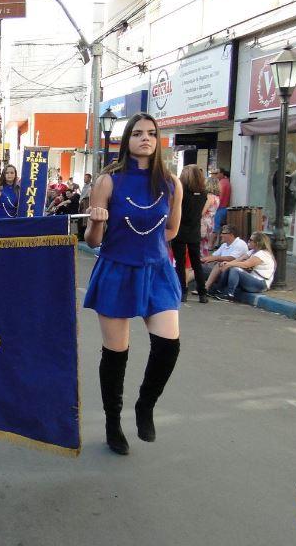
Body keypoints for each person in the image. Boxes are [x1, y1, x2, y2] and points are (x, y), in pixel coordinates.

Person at [83, 112, 183, 455]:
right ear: (126, 140)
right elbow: (93, 240)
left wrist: (150, 246)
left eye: (151, 133)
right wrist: (98, 222)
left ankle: (145, 405)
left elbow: (171, 230)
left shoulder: (171, 183)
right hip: (117, 269)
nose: (145, 138)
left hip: (156, 271)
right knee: (116, 353)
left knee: (168, 346)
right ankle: (113, 422)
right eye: (138, 133)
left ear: (158, 140)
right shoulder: (108, 182)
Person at [171, 165, 208, 303]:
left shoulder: (181, 193)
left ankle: (183, 291)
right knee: (196, 262)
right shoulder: (203, 194)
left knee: (180, 262)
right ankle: (202, 292)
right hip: (194, 230)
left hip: (180, 230)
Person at [209, 232, 276, 300]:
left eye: (251, 240)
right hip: (252, 279)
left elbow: (246, 264)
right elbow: (239, 259)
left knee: (235, 270)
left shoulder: (262, 254)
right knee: (231, 267)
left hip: (261, 284)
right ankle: (219, 290)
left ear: (257, 243)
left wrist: (230, 264)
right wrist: (227, 263)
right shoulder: (252, 252)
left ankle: (229, 295)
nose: (248, 241)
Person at [201, 225, 250, 293]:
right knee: (198, 266)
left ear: (231, 235)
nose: (221, 235)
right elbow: (213, 256)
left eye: (223, 233)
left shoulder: (240, 244)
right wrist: (201, 260)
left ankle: (205, 288)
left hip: (231, 274)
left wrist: (215, 258)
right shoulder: (224, 245)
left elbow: (231, 258)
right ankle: (184, 285)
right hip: (221, 271)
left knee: (219, 264)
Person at [200, 177, 220, 256]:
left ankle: (201, 259)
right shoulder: (217, 198)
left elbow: (203, 211)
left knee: (201, 242)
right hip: (211, 221)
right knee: (206, 243)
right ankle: (205, 258)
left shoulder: (209, 197)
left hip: (204, 221)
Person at [212, 168, 231, 241]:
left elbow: (220, 196)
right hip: (224, 208)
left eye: (216, 173)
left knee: (215, 228)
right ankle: (217, 243)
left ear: (222, 173)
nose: (214, 175)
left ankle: (211, 245)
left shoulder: (222, 183)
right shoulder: (226, 182)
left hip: (220, 208)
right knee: (219, 228)